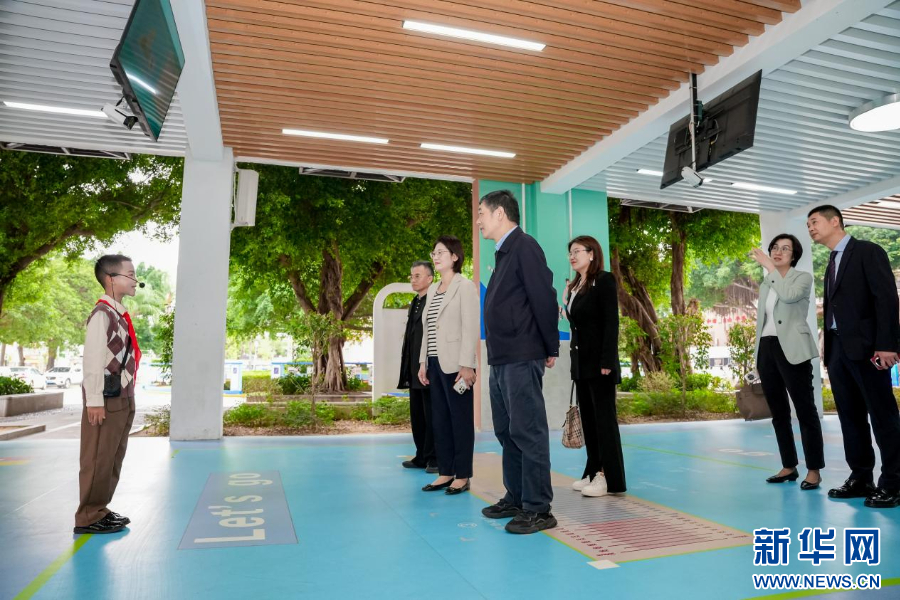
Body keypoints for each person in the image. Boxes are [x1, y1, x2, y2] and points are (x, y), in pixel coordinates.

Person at [477, 190, 560, 534]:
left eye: (481, 213)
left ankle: (538, 508)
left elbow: (544, 297)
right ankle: (516, 497)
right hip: (502, 357)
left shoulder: (524, 246)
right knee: (507, 431)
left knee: (528, 431)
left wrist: (550, 345)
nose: (478, 221)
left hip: (523, 354)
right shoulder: (503, 253)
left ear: (500, 214)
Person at [807, 205, 900, 508]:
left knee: (883, 416)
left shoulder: (867, 251)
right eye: (808, 224)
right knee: (850, 417)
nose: (811, 228)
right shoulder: (832, 261)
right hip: (838, 350)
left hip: (869, 349)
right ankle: (861, 477)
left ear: (835, 221)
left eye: (814, 221)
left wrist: (887, 345)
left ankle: (894, 482)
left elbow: (886, 298)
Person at [749, 234, 824, 490]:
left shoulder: (802, 278)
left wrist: (770, 269)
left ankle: (814, 470)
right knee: (779, 413)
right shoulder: (766, 284)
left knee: (805, 411)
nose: (777, 252)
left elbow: (789, 296)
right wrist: (757, 356)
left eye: (785, 249)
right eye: (774, 248)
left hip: (793, 348)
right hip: (767, 348)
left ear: (794, 255)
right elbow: (763, 322)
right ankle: (788, 466)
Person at [74, 254, 141, 534]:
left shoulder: (118, 314)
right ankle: (88, 516)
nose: (135, 280)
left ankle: (100, 509)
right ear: (111, 279)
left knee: (112, 457)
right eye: (130, 274)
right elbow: (92, 360)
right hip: (106, 399)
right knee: (97, 458)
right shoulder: (102, 314)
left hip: (122, 396)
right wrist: (94, 401)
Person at [564, 236, 625, 498]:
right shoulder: (575, 285)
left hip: (600, 364)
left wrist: (607, 362)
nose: (572, 256)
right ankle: (592, 470)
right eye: (570, 252)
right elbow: (578, 323)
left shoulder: (604, 280)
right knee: (589, 421)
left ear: (592, 254)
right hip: (581, 363)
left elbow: (611, 322)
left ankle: (606, 476)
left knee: (603, 422)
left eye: (577, 251)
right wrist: (566, 303)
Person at [418, 236, 479, 495]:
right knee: (440, 420)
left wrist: (467, 365)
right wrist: (423, 362)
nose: (435, 256)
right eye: (434, 252)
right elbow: (428, 329)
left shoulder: (465, 287)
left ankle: (462, 475)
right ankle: (445, 472)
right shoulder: (433, 289)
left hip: (457, 365)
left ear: (455, 256)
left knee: (460, 420)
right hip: (434, 363)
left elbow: (471, 327)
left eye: (441, 252)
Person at [398, 261, 437, 473]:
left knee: (432, 414)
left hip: (428, 367)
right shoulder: (415, 301)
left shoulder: (435, 300)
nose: (413, 280)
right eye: (411, 276)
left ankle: (434, 457)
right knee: (417, 414)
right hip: (413, 368)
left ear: (430, 278)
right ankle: (421, 455)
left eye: (417, 276)